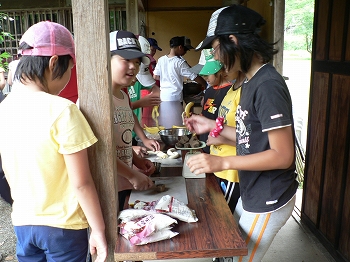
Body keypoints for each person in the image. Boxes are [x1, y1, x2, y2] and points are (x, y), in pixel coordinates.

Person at [185, 5, 298, 262]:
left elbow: (282, 155)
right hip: (254, 188)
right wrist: (214, 127)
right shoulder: (249, 81)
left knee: (237, 258)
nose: (216, 57)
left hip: (269, 194)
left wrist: (222, 161)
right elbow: (253, 137)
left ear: (232, 41)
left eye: (215, 48)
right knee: (227, 252)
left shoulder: (267, 84)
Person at [0, 21, 107, 261]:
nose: (70, 76)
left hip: (23, 223)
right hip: (63, 228)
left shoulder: (4, 109)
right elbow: (81, 183)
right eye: (70, 68)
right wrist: (99, 230)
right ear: (53, 62)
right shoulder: (63, 110)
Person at [109, 30, 155, 212]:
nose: (133, 67)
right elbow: (100, 151)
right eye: (126, 60)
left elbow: (122, 142)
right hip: (107, 187)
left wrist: (137, 162)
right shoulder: (97, 100)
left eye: (136, 62)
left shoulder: (122, 95)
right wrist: (133, 175)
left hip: (124, 183)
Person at [153, 36, 207, 128]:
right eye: (185, 49)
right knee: (176, 125)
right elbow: (194, 76)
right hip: (175, 98)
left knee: (166, 124)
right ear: (180, 47)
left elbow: (156, 76)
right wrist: (205, 84)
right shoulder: (179, 62)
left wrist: (167, 78)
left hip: (163, 97)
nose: (186, 52)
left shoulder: (161, 60)